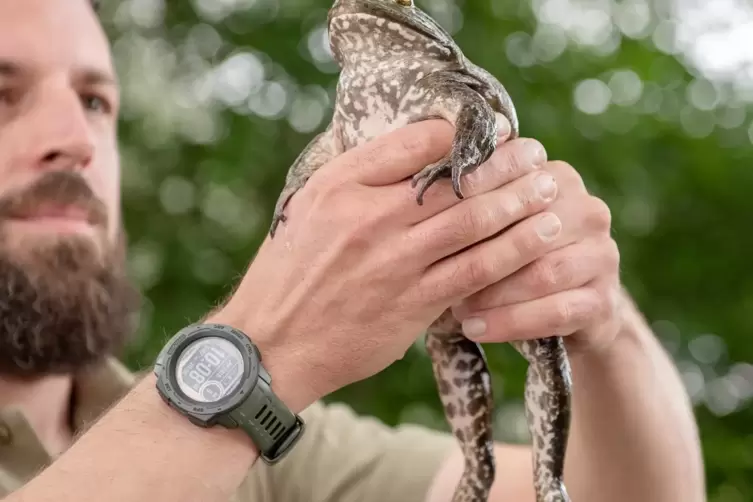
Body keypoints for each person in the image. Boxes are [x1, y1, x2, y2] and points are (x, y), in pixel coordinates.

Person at [0, 0, 705, 501]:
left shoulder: (274, 456)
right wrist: (253, 356)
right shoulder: (255, 414)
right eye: (3, 94)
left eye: (96, 100)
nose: (78, 140)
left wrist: (599, 319)